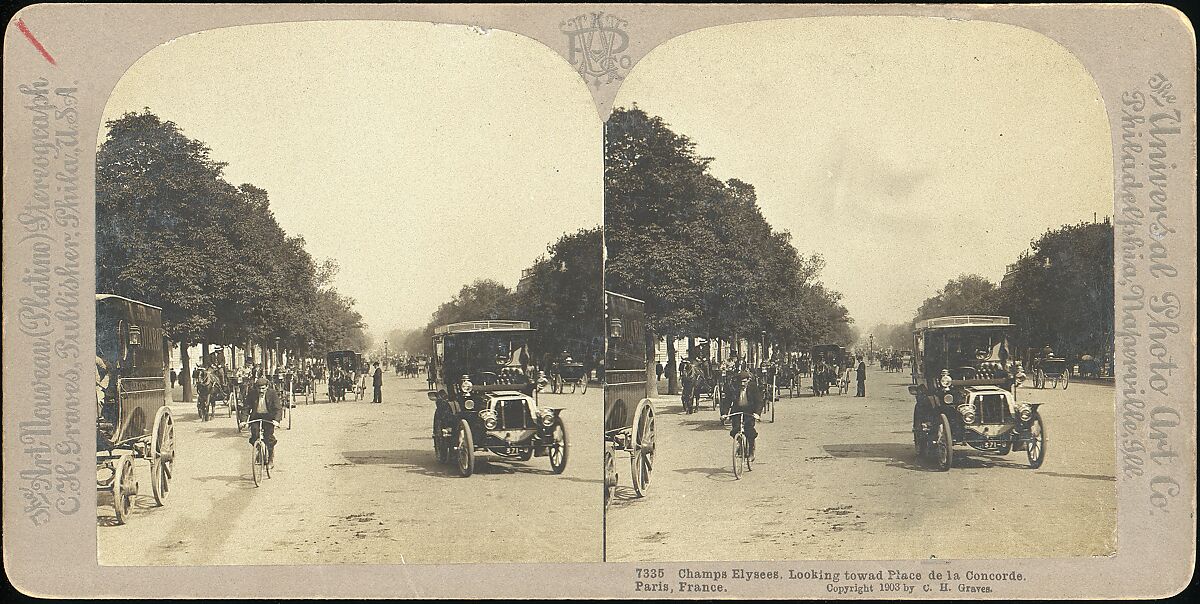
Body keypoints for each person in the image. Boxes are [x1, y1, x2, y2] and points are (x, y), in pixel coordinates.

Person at [725, 370, 763, 461]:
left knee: (749, 431)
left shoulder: (753, 387)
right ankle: (740, 445)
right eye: (741, 382)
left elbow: (759, 401)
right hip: (737, 410)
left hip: (749, 411)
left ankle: (751, 452)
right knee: (735, 430)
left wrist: (757, 414)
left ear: (748, 380)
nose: (742, 384)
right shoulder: (734, 388)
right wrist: (724, 414)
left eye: (744, 381)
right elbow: (727, 401)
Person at [244, 377, 282, 467]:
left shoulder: (272, 393)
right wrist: (243, 421)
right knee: (254, 434)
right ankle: (258, 450)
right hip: (256, 416)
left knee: (268, 438)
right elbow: (246, 407)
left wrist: (276, 420)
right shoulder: (252, 394)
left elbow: (278, 408)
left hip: (268, 417)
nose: (261, 390)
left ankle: (270, 459)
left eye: (263, 388)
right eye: (259, 388)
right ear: (256, 388)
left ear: (267, 387)